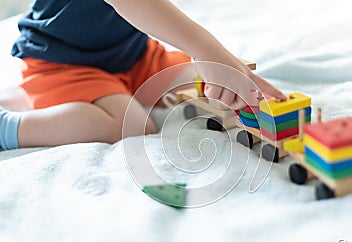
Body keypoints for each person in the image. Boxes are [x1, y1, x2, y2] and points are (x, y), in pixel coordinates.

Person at [0, 0, 286, 151]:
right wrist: (206, 50)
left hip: (133, 54)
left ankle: (25, 95)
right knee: (131, 125)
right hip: (61, 62)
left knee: (192, 79)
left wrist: (216, 62)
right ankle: (8, 126)